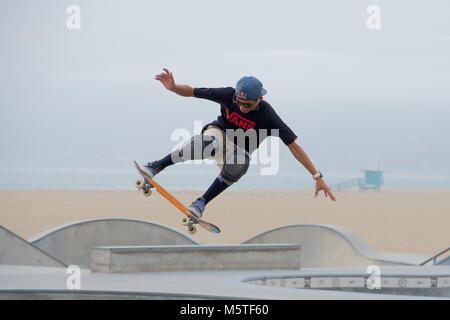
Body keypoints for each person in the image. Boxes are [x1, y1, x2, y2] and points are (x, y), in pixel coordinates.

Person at [140, 68, 336, 218]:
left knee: (239, 165)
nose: (242, 108)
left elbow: (294, 146)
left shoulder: (268, 116)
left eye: (248, 105)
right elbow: (192, 92)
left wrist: (317, 176)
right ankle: (156, 166)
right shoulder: (227, 95)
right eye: (239, 103)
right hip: (218, 133)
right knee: (206, 144)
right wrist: (173, 88)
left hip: (239, 149)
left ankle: (200, 203)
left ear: (259, 99)